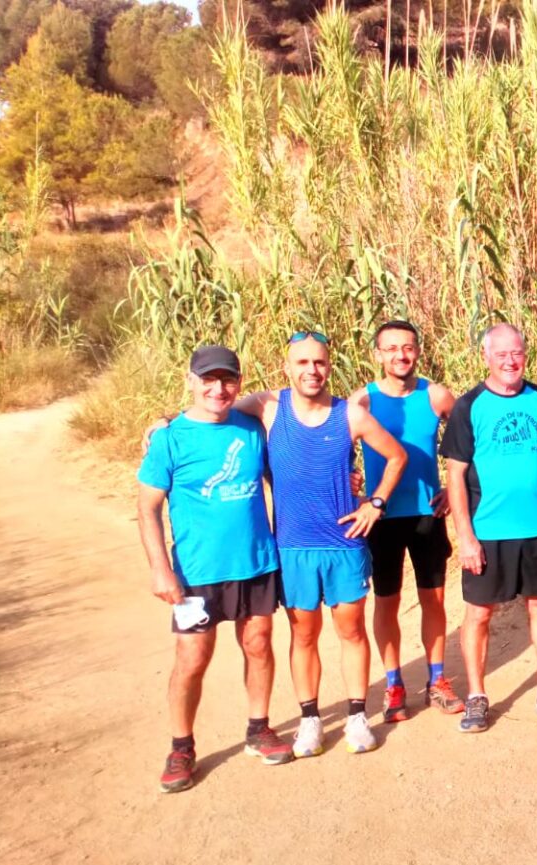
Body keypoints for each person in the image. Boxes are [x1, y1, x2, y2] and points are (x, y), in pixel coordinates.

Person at [146, 334, 408, 756]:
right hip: (281, 549)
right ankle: (304, 721)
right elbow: (211, 406)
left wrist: (374, 503)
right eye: (302, 362)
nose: (311, 370)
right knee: (296, 636)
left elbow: (395, 456)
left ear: (330, 365)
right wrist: (165, 421)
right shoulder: (267, 407)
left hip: (332, 545)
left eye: (319, 362)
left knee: (344, 631)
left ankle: (352, 717)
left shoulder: (345, 415)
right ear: (287, 368)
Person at [138, 346, 293, 793]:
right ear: (190, 381)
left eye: (227, 380)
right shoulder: (169, 439)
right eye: (208, 379)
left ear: (239, 384)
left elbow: (282, 473)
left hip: (256, 562)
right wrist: (160, 570)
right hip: (196, 572)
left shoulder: (252, 428)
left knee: (258, 644)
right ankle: (181, 746)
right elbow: (147, 509)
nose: (218, 389)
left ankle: (258, 728)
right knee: (192, 658)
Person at [442, 324, 537, 731]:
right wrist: (465, 537)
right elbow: (455, 475)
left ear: (525, 354)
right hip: (488, 530)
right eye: (501, 354)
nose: (510, 361)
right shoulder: (469, 406)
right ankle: (476, 696)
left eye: (516, 353)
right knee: (479, 613)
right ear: (486, 356)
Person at [349, 320, 464, 723]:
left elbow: (469, 439)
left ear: (417, 351)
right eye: (392, 348)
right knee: (387, 601)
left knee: (434, 599)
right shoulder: (362, 400)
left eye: (408, 347)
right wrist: (354, 487)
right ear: (378, 354)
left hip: (427, 513)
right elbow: (335, 449)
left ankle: (437, 680)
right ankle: (394, 684)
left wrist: (454, 488)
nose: (401, 355)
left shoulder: (435, 395)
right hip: (381, 518)